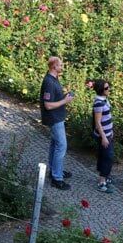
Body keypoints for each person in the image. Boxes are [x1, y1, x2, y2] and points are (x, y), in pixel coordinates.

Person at [40, 56, 74, 190]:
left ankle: (55, 170)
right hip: (54, 118)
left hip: (57, 117)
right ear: (54, 66)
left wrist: (65, 96)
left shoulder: (54, 79)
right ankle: (57, 178)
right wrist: (64, 101)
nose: (62, 67)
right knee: (61, 146)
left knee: (55, 145)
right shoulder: (49, 82)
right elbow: (48, 105)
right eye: (60, 65)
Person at [92, 79, 115, 193]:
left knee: (104, 156)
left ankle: (105, 177)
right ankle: (102, 182)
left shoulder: (104, 99)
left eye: (108, 86)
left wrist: (110, 131)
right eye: (106, 88)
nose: (109, 89)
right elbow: (97, 123)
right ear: (101, 90)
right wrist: (104, 137)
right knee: (108, 157)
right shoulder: (99, 103)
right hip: (103, 135)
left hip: (108, 133)